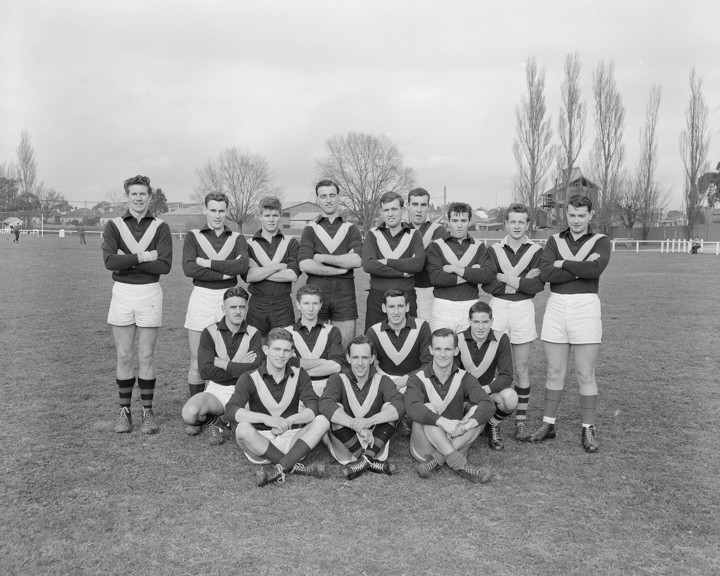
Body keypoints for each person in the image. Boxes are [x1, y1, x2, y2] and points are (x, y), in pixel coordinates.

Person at [526, 194, 611, 453]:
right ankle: (548, 425)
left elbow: (595, 271)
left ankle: (588, 429)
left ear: (591, 215)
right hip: (557, 305)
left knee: (585, 373)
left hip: (585, 306)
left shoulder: (602, 241)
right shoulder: (554, 240)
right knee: (554, 372)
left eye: (581, 216)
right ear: (566, 214)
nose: (576, 220)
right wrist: (579, 268)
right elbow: (547, 273)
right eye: (572, 215)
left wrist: (562, 264)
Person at [102, 175, 172, 434]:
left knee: (146, 355)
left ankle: (147, 412)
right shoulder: (114, 225)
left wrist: (127, 259)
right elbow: (110, 262)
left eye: (143, 194)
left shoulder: (161, 227)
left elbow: (164, 266)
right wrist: (145, 256)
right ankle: (124, 412)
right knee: (123, 356)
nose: (139, 198)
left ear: (149, 196)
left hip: (150, 293)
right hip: (122, 293)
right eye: (134, 194)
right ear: (127, 196)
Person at [226, 328, 330, 487]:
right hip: (260, 442)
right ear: (266, 349)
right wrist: (268, 420)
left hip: (292, 439)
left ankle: (279, 468)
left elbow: (314, 407)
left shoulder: (300, 374)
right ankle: (295, 467)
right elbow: (231, 410)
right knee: (242, 429)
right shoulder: (249, 377)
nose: (281, 355)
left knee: (322, 421)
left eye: (286, 350)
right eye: (277, 349)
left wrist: (290, 421)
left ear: (291, 353)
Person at [480, 203, 544, 439]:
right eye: (513, 221)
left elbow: (536, 286)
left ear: (528, 224)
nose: (517, 226)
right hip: (497, 308)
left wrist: (505, 279)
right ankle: (491, 420)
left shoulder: (537, 251)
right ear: (506, 224)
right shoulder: (493, 250)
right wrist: (521, 281)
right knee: (492, 368)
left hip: (523, 310)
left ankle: (520, 422)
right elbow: (488, 284)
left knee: (520, 368)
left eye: (522, 222)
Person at [405, 328, 496, 483]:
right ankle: (461, 466)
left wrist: (466, 427)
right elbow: (412, 408)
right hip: (425, 448)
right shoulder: (417, 378)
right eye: (438, 349)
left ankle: (437, 460)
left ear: (456, 351)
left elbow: (488, 404)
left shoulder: (464, 377)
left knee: (477, 412)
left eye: (448, 349)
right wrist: (443, 422)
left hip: (455, 439)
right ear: (430, 350)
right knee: (426, 408)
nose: (442, 354)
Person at [182, 192, 249, 397]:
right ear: (205, 210)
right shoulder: (193, 236)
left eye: (221, 211)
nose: (217, 216)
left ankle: (227, 408)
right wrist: (226, 273)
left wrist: (208, 265)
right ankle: (197, 411)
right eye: (213, 210)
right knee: (197, 359)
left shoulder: (237, 238)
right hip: (201, 297)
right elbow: (190, 269)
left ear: (227, 211)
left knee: (231, 357)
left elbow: (242, 266)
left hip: (229, 298)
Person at [181, 286, 263, 445]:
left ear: (247, 308)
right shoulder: (209, 332)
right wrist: (239, 366)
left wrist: (222, 363)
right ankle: (216, 421)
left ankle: (228, 420)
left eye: (242, 307)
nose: (238, 311)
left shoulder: (254, 333)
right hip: (216, 390)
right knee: (189, 414)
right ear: (223, 308)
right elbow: (205, 372)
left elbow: (256, 370)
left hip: (245, 390)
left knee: (254, 424)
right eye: (233, 307)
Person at [319, 335, 405, 480]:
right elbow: (325, 404)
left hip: (374, 441)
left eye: (364, 358)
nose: (360, 363)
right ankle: (368, 461)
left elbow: (401, 405)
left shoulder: (383, 380)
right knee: (335, 409)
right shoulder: (337, 379)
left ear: (372, 359)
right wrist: (357, 425)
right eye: (355, 357)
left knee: (390, 407)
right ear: (348, 358)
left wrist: (369, 421)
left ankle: (364, 460)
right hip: (345, 445)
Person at [298, 180, 363, 350]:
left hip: (345, 294)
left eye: (332, 195)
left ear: (338, 197)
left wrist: (321, 257)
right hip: (316, 292)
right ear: (317, 199)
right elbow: (305, 265)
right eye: (323, 196)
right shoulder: (310, 229)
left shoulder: (351, 229)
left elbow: (356, 260)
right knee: (314, 348)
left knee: (344, 348)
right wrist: (341, 268)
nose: (328, 200)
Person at [365, 288, 431, 435]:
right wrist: (383, 383)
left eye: (400, 306)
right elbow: (366, 364)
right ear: (384, 308)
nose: (396, 312)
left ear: (407, 307)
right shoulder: (374, 331)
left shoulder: (422, 327)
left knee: (416, 392)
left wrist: (406, 379)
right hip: (387, 379)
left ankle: (400, 416)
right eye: (391, 307)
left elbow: (429, 363)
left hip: (414, 378)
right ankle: (402, 416)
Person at [455, 302, 515, 451]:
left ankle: (492, 424)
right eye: (476, 322)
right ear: (469, 321)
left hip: (487, 392)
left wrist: (484, 390)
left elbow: (506, 376)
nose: (480, 327)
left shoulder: (501, 339)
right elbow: (452, 373)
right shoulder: (458, 338)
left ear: (492, 321)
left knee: (510, 398)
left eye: (485, 322)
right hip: (463, 394)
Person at [361, 191, 424, 331]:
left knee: (409, 343)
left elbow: (418, 264)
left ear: (402, 210)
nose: (390, 214)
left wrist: (387, 261)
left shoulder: (414, 234)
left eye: (394, 209)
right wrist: (402, 273)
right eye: (386, 210)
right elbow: (369, 265)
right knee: (374, 344)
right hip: (377, 300)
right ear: (381, 212)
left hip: (406, 299)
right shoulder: (373, 234)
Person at [426, 202, 491, 332]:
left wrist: (457, 269)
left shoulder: (479, 246)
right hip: (442, 307)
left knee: (469, 351)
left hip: (471, 306)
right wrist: (473, 273)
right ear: (448, 221)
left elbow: (487, 275)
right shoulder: (436, 245)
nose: (459, 225)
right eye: (455, 220)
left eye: (463, 220)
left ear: (470, 221)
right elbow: (436, 278)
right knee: (441, 350)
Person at [244, 196, 300, 336]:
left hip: (283, 304)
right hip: (257, 304)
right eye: (267, 215)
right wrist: (278, 266)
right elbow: (249, 276)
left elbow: (292, 275)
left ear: (280, 216)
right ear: (259, 216)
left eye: (275, 215)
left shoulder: (291, 243)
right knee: (256, 349)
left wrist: (260, 273)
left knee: (283, 347)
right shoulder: (248, 244)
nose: (271, 219)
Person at [284, 284, 344, 397]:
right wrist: (322, 361)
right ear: (298, 305)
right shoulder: (287, 333)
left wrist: (297, 369)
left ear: (321, 305)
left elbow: (336, 366)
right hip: (296, 390)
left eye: (315, 303)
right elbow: (285, 365)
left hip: (328, 390)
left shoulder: (332, 331)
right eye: (306, 303)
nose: (310, 308)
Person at [406, 187, 446, 322]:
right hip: (402, 288)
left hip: (428, 290)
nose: (419, 209)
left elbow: (434, 262)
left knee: (427, 334)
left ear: (428, 207)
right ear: (408, 206)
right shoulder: (399, 228)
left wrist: (407, 261)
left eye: (423, 205)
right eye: (414, 204)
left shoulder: (439, 230)